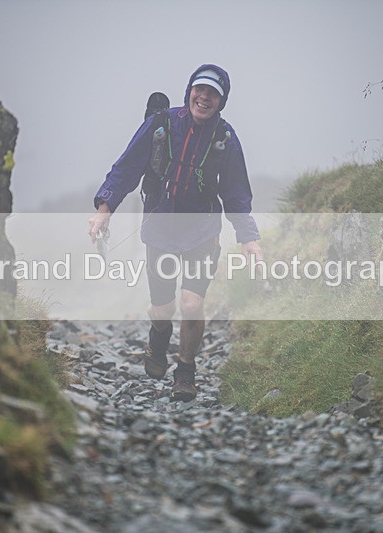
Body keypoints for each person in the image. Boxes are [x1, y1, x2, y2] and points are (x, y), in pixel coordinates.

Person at [88, 64, 262, 402]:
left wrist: (248, 237)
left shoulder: (225, 138)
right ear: (190, 91)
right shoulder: (161, 125)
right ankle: (159, 335)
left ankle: (185, 371)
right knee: (163, 308)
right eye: (200, 90)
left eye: (213, 93)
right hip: (161, 229)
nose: (205, 97)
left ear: (221, 100)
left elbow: (236, 191)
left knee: (192, 302)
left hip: (202, 232)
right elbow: (126, 169)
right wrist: (104, 209)